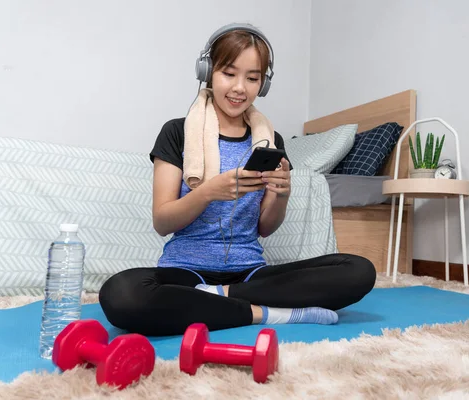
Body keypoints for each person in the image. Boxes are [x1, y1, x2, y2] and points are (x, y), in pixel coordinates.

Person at [99, 23, 376, 336]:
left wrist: (281, 193)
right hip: (183, 273)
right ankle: (265, 313)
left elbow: (265, 228)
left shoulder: (270, 141)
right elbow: (163, 221)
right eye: (229, 73)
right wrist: (207, 193)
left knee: (358, 271)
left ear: (264, 83)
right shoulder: (177, 133)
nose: (240, 88)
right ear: (208, 71)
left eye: (253, 77)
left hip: (250, 274)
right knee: (121, 293)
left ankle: (214, 301)